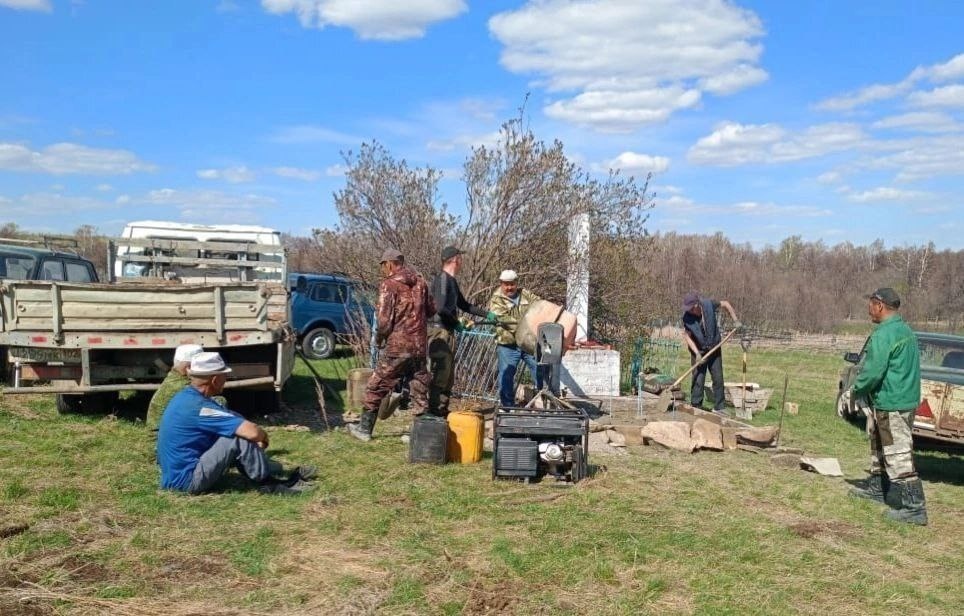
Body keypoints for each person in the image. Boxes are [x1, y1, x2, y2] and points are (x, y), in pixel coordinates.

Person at [156, 352, 315, 495]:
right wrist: (263, 437)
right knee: (237, 437)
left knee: (238, 427)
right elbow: (252, 432)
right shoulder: (200, 408)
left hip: (176, 476)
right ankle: (268, 484)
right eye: (224, 376)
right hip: (186, 482)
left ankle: (265, 469)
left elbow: (232, 417)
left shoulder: (187, 398)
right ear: (215, 380)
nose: (226, 379)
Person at [848, 288, 926, 525]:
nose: (868, 309)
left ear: (879, 305)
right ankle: (878, 488)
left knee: (898, 453)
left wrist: (854, 391)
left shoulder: (884, 334)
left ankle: (914, 507)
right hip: (901, 399)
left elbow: (873, 371)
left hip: (893, 401)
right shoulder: (905, 330)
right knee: (880, 446)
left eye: (871, 305)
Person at [349, 249, 436, 442]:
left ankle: (364, 429)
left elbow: (383, 322)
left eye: (383, 266)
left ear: (389, 263)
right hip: (419, 346)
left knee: (376, 384)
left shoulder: (389, 285)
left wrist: (380, 338)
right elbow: (431, 310)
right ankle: (421, 435)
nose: (382, 269)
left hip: (398, 346)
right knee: (419, 387)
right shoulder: (421, 283)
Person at [427, 245, 496, 416]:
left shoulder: (452, 281)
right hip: (439, 332)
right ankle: (433, 412)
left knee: (448, 375)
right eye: (460, 258)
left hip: (448, 331)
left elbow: (464, 305)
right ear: (455, 260)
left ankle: (442, 411)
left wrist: (487, 314)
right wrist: (456, 322)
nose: (462, 261)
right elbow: (440, 308)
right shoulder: (442, 279)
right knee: (440, 373)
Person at [488, 269, 543, 407]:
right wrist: (528, 326)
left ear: (516, 283)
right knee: (506, 375)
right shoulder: (496, 299)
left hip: (528, 343)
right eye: (506, 284)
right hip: (508, 344)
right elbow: (504, 319)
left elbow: (540, 305)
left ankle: (544, 401)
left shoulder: (526, 294)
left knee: (539, 370)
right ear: (501, 284)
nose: (509, 287)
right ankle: (508, 407)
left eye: (512, 284)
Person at [681, 292, 741, 413]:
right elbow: (687, 336)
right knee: (698, 378)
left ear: (697, 305)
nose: (689, 311)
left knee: (718, 378)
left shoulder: (708, 304)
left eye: (691, 308)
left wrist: (735, 320)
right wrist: (697, 354)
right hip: (698, 350)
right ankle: (696, 405)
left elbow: (726, 304)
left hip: (714, 347)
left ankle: (719, 407)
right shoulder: (687, 318)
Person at [146, 344, 203, 431]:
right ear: (189, 367)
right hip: (164, 437)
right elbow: (208, 408)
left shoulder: (173, 378)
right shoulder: (184, 387)